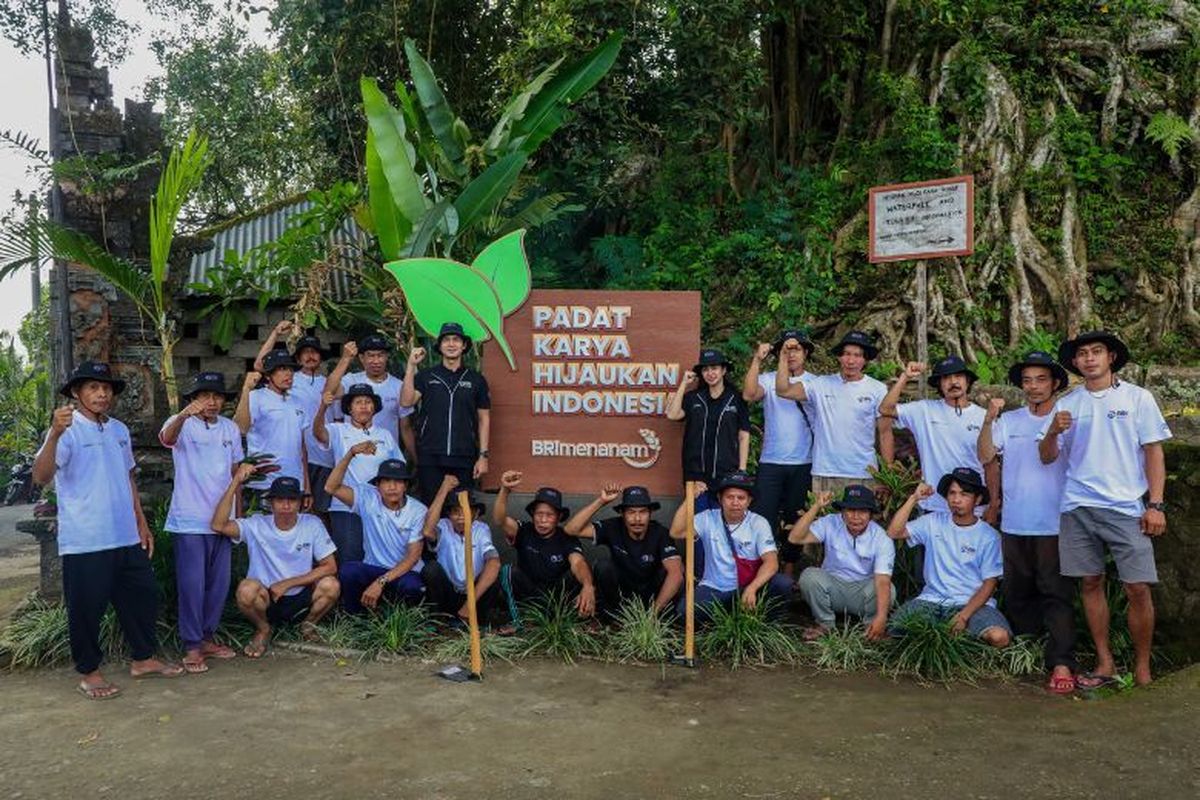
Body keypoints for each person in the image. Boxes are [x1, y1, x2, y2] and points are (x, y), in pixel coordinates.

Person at [32, 361, 182, 699]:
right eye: (92, 387)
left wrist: (141, 523)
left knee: (141, 598)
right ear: (76, 392)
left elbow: (127, 476)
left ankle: (143, 659)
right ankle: (89, 672)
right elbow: (41, 477)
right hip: (86, 539)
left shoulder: (118, 430)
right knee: (87, 609)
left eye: (106, 388)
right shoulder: (66, 429)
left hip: (126, 535)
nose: (101, 393)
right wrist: (54, 433)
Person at [1038, 331, 1171, 687]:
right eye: (1082, 354)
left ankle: (1142, 666)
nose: (1089, 359)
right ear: (1075, 362)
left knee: (1137, 587)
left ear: (1111, 357)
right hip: (1078, 506)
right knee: (1090, 582)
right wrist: (1052, 431)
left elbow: (1154, 452)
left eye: (1097, 352)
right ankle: (1105, 661)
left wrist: (1155, 504)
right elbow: (1047, 456)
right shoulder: (1068, 403)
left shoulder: (1137, 398)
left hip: (1127, 506)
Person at [978, 351, 1076, 693]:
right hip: (1015, 522)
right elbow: (986, 455)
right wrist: (989, 419)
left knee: (1055, 593)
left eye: (1041, 380)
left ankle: (1062, 660)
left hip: (1053, 522)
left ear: (1055, 383)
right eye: (1027, 381)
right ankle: (1027, 650)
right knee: (1018, 592)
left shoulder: (1066, 419)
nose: (1033, 387)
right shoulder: (1012, 420)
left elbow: (1049, 458)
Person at [159, 371, 243, 674]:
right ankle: (192, 646)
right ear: (193, 400)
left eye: (217, 396)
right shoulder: (181, 424)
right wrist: (183, 415)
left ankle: (207, 638)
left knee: (218, 585)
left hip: (222, 520)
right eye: (205, 395)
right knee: (192, 585)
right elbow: (167, 437)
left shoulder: (231, 429)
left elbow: (237, 473)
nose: (212, 401)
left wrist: (238, 515)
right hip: (190, 520)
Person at [210, 471, 340, 657]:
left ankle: (308, 625)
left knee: (331, 585)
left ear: (301, 503)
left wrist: (287, 583)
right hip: (267, 597)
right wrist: (235, 483)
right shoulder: (256, 524)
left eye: (292, 500)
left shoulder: (312, 524)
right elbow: (218, 525)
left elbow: (330, 566)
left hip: (301, 596)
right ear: (271, 503)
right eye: (280, 500)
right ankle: (263, 629)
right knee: (246, 590)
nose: (286, 506)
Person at [885, 468, 1011, 648]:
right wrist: (914, 498)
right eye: (952, 493)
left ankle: (958, 641)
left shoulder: (989, 536)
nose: (956, 499)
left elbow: (990, 584)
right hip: (931, 601)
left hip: (972, 605)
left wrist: (963, 616)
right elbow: (894, 532)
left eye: (964, 494)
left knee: (999, 637)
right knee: (894, 630)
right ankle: (951, 640)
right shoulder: (933, 521)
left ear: (978, 499)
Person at [878, 355, 997, 521]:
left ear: (967, 381)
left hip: (973, 507)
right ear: (939, 385)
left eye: (958, 376)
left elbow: (991, 466)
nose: (953, 382)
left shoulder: (984, 417)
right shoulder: (924, 410)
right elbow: (885, 409)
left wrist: (993, 505)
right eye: (946, 378)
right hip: (933, 505)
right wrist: (905, 377)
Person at [774, 330, 890, 495]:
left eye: (857, 355)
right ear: (839, 357)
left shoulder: (877, 388)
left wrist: (886, 476)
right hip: (825, 472)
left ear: (865, 360)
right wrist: (784, 356)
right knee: (822, 520)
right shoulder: (820, 385)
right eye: (847, 354)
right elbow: (783, 390)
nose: (851, 360)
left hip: (864, 473)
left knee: (861, 521)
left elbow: (885, 433)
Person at [669, 471, 792, 621]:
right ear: (720, 499)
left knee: (782, 583)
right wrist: (690, 498)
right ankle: (726, 622)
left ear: (749, 501)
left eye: (741, 498)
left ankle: (765, 627)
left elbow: (771, 563)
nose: (735, 502)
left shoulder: (758, 523)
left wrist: (752, 588)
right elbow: (677, 532)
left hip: (747, 586)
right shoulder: (707, 517)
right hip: (714, 588)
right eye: (730, 497)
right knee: (685, 613)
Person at [743, 329, 816, 574]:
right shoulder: (767, 379)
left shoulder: (815, 383)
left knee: (795, 518)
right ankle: (762, 568)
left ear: (806, 352)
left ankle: (788, 571)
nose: (791, 353)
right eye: (785, 349)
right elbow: (749, 394)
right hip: (771, 461)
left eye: (796, 348)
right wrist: (757, 360)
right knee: (762, 516)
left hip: (804, 461)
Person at [789, 485, 895, 641]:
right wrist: (816, 506)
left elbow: (882, 581)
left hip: (863, 593)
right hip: (833, 589)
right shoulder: (830, 522)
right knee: (809, 576)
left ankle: (871, 627)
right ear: (842, 512)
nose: (855, 517)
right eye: (850, 510)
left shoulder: (881, 538)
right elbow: (795, 538)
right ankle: (825, 624)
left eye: (862, 511)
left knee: (889, 589)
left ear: (871, 515)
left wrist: (881, 618)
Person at [400, 322, 492, 500]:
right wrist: (411, 366)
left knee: (462, 511)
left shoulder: (476, 380)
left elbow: (484, 419)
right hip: (430, 455)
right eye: (446, 340)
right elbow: (406, 402)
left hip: (464, 455)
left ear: (464, 345)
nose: (451, 344)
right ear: (440, 346)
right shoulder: (426, 377)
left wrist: (483, 456)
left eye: (456, 340)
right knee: (432, 508)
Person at [325, 453, 426, 613]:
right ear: (377, 485)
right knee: (349, 571)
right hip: (374, 568)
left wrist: (381, 582)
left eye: (398, 481)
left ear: (406, 486)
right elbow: (331, 487)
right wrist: (350, 454)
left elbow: (413, 558)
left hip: (404, 572)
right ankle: (357, 620)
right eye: (386, 481)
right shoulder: (367, 497)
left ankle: (400, 622)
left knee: (413, 587)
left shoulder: (418, 510)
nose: (392, 487)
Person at [254, 321, 336, 519]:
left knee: (313, 518)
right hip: (276, 469)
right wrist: (275, 333)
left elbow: (336, 420)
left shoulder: (324, 386)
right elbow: (260, 365)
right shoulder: (277, 386)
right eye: (305, 352)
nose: (310, 356)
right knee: (273, 523)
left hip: (316, 462)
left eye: (314, 351)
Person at [312, 383, 403, 562]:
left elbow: (398, 468)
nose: (363, 406)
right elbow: (318, 433)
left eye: (368, 402)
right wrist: (323, 407)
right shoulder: (338, 430)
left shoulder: (385, 435)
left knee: (379, 559)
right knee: (350, 560)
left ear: (374, 407)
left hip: (379, 507)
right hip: (345, 507)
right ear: (349, 408)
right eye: (358, 402)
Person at [563, 485, 683, 616]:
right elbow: (571, 529)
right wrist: (601, 501)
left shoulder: (660, 533)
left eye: (643, 512)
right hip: (622, 595)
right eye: (631, 512)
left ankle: (659, 618)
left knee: (675, 571)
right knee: (603, 566)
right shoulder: (613, 526)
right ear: (622, 513)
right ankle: (617, 617)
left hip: (653, 598)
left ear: (650, 513)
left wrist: (651, 615)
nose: (637, 519)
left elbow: (676, 574)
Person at [493, 470, 597, 619]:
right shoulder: (524, 530)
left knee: (580, 575)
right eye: (539, 514)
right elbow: (499, 520)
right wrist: (505, 490)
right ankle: (518, 620)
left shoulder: (566, 537)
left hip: (558, 598)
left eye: (549, 515)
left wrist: (588, 586)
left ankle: (567, 619)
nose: (543, 520)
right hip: (529, 595)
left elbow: (578, 563)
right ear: (533, 514)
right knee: (508, 571)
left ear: (559, 517)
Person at [666, 348, 750, 504]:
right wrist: (684, 384)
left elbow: (744, 435)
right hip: (696, 476)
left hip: (726, 474)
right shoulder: (693, 398)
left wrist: (742, 470)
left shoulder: (736, 398)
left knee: (723, 522)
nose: (710, 373)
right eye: (705, 369)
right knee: (697, 523)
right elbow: (672, 414)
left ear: (723, 370)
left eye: (714, 368)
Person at [420, 474, 502, 626]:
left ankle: (479, 622)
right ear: (449, 514)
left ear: (476, 514)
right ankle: (438, 620)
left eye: (465, 511)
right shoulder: (443, 526)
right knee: (430, 569)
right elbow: (426, 532)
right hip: (449, 593)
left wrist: (468, 605)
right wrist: (443, 490)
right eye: (455, 512)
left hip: (473, 596)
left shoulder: (481, 529)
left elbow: (494, 563)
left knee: (494, 576)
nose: (460, 517)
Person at [233, 349, 309, 502]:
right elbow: (240, 428)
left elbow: (302, 448)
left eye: (290, 369)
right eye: (281, 369)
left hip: (295, 482)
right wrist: (246, 389)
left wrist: (307, 487)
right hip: (263, 483)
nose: (288, 374)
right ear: (268, 375)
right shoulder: (255, 397)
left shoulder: (298, 401)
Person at [328, 335, 416, 456]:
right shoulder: (350, 380)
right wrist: (345, 358)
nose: (376, 361)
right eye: (371, 355)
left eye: (380, 355)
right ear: (361, 358)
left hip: (386, 457)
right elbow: (329, 392)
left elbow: (405, 428)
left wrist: (416, 461)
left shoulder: (399, 386)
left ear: (386, 357)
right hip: (353, 456)